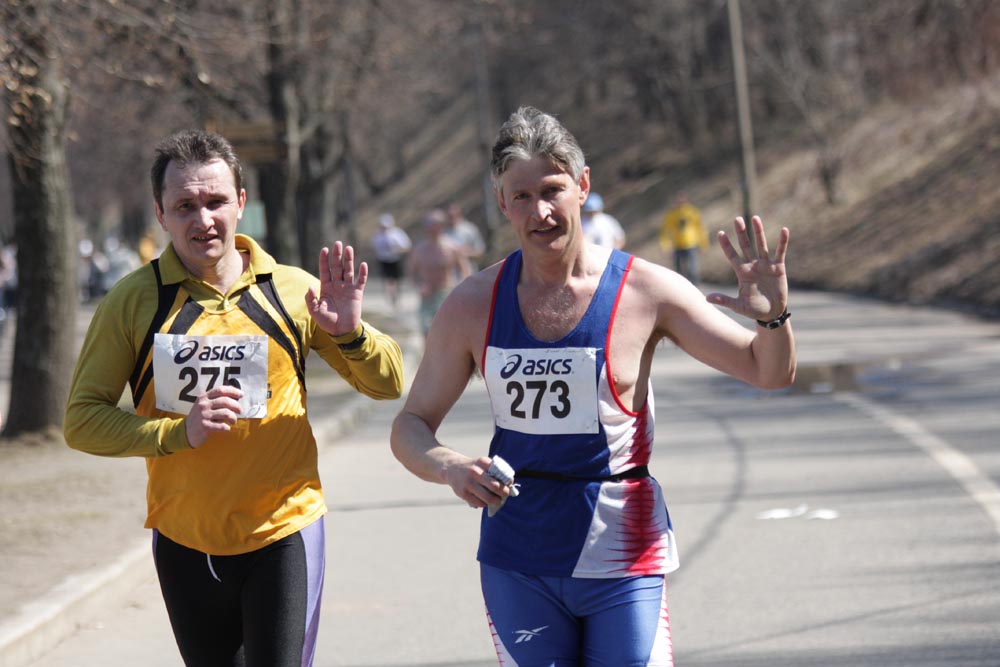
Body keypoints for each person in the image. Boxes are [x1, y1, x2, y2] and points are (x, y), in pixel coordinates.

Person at [390, 106, 795, 666]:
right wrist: (450, 466)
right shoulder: (472, 304)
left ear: (582, 186)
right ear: (502, 203)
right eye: (521, 196)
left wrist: (774, 319)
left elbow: (768, 371)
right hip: (519, 555)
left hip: (623, 550)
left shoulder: (647, 290)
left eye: (552, 190)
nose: (540, 211)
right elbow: (410, 425)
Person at [64, 130, 404, 667]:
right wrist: (177, 432)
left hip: (283, 531)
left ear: (241, 203)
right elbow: (82, 421)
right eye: (185, 205)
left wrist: (350, 334)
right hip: (185, 538)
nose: (203, 219)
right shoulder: (132, 302)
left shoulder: (292, 290)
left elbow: (387, 385)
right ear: (160, 213)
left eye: (216, 201)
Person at [407, 208, 470, 337]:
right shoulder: (420, 250)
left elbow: (465, 269)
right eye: (429, 224)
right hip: (427, 295)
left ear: (442, 225)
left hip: (446, 293)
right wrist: (419, 287)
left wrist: (459, 288)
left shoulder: (451, 247)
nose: (432, 228)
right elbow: (412, 273)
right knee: (426, 331)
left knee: (446, 332)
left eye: (435, 224)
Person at [660, 192, 709, 284]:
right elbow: (666, 231)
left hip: (691, 244)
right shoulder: (672, 214)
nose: (681, 202)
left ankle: (695, 286)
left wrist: (704, 243)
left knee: (692, 269)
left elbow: (700, 228)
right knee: (678, 270)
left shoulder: (693, 212)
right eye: (679, 200)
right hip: (677, 245)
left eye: (683, 200)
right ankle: (680, 288)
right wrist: (665, 245)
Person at [371, 212, 412, 308]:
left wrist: (398, 250)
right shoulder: (377, 235)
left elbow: (407, 246)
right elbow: (373, 248)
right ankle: (392, 299)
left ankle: (396, 297)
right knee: (389, 281)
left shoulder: (397, 233)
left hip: (395, 260)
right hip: (384, 260)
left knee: (397, 280)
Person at [444, 202, 486, 271]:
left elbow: (480, 252)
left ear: (459, 214)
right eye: (449, 216)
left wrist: (465, 253)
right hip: (449, 273)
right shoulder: (442, 233)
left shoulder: (469, 229)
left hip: (470, 271)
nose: (452, 218)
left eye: (454, 215)